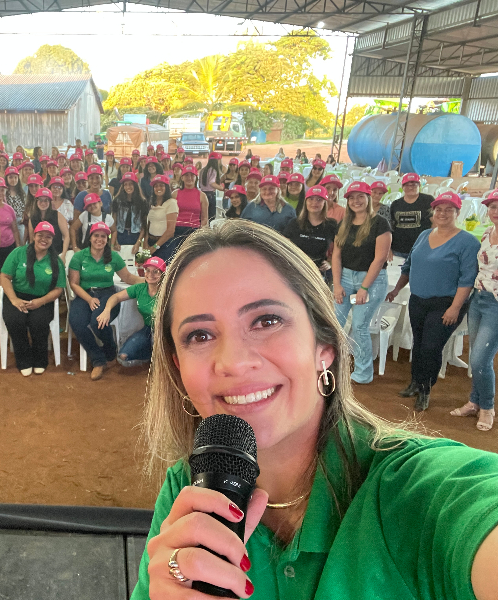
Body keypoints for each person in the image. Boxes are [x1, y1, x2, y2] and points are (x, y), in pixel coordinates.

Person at [129, 219, 498, 600]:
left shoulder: (419, 491)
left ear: (325, 345)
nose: (233, 363)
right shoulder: (188, 486)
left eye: (267, 321)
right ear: (178, 366)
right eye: (200, 335)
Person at [386, 192, 479, 411]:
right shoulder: (424, 235)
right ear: (433, 212)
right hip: (418, 299)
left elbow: (467, 279)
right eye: (439, 209)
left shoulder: (468, 242)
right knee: (418, 343)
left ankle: (425, 388)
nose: (443, 213)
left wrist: (455, 307)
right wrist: (397, 288)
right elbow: (409, 265)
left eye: (449, 209)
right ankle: (415, 382)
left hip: (446, 303)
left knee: (431, 347)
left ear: (457, 212)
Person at [332, 181, 391, 384]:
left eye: (360, 197)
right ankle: (332, 365)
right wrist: (337, 284)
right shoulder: (344, 224)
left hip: (372, 280)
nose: (356, 201)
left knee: (359, 326)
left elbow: (380, 258)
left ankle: (363, 372)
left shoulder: (380, 224)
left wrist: (364, 287)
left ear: (368, 198)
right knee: (334, 323)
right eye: (351, 198)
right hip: (345, 278)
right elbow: (336, 256)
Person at [68, 221, 142, 380]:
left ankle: (110, 349)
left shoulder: (113, 256)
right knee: (77, 322)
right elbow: (74, 283)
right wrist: (89, 299)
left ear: (107, 239)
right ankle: (98, 359)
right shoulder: (79, 256)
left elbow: (128, 277)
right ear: (90, 237)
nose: (99, 239)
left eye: (103, 236)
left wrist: (147, 280)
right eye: (96, 235)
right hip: (85, 294)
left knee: (98, 322)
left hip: (107, 294)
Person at [452, 190, 498, 431]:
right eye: (492, 207)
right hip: (478, 299)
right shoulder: (488, 233)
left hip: (496, 305)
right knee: (475, 356)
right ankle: (474, 401)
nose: (496, 211)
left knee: (481, 359)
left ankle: (487, 407)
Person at [0, 221, 66, 376]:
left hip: (43, 298)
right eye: (40, 235)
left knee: (39, 322)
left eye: (48, 237)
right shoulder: (18, 253)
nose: (44, 239)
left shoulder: (56, 261)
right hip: (17, 295)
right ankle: (23, 359)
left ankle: (40, 359)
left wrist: (40, 302)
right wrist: (14, 299)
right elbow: (4, 276)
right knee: (15, 320)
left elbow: (58, 289)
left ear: (52, 239)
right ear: (34, 236)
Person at [97, 255, 164, 368]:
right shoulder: (140, 288)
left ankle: (160, 355)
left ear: (163, 274)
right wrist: (107, 310)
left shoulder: (168, 291)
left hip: (165, 331)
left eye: (156, 271)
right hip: (148, 329)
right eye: (148, 270)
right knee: (123, 357)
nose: (150, 274)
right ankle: (150, 354)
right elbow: (116, 297)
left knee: (163, 362)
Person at [283, 185, 337, 280]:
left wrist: (331, 262)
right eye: (311, 199)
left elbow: (340, 248)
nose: (314, 203)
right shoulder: (295, 223)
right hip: (296, 271)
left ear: (325, 202)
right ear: (305, 202)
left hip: (318, 273)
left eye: (319, 200)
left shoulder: (331, 225)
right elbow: (283, 245)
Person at [168, 166, 208, 262]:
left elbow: (204, 218)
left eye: (192, 175)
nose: (189, 178)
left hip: (193, 230)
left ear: (196, 178)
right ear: (182, 178)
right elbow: (169, 215)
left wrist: (201, 234)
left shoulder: (202, 196)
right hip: (177, 230)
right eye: (186, 175)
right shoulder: (175, 194)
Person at [390, 172, 434, 259]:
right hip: (398, 249)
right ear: (402, 187)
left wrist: (431, 243)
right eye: (407, 185)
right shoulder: (396, 204)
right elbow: (391, 227)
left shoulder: (427, 200)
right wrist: (389, 248)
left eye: (414, 185)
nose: (410, 187)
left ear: (419, 185)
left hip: (421, 248)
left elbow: (435, 223)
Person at [0, 177, 22, 270]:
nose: (0, 193)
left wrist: (18, 247)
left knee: (8, 272)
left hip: (9, 247)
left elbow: (15, 230)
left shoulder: (10, 209)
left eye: (2, 190)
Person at [27, 187, 69, 263]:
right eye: (40, 200)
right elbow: (32, 240)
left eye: (46, 200)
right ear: (36, 201)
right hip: (39, 255)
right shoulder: (32, 218)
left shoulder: (58, 215)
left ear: (50, 202)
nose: (43, 203)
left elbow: (66, 236)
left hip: (57, 252)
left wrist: (63, 255)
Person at [112, 172, 148, 252]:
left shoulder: (142, 202)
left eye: (131, 184)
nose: (128, 187)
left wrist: (138, 242)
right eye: (125, 184)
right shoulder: (117, 200)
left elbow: (144, 225)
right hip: (120, 235)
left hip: (135, 236)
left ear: (135, 185)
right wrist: (115, 241)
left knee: (133, 258)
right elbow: (114, 222)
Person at [145, 175, 179, 259]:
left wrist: (155, 247)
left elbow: (170, 231)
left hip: (165, 245)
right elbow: (149, 224)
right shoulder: (152, 203)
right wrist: (145, 242)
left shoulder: (171, 203)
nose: (158, 188)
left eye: (161, 185)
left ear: (166, 187)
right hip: (151, 242)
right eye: (156, 186)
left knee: (163, 267)